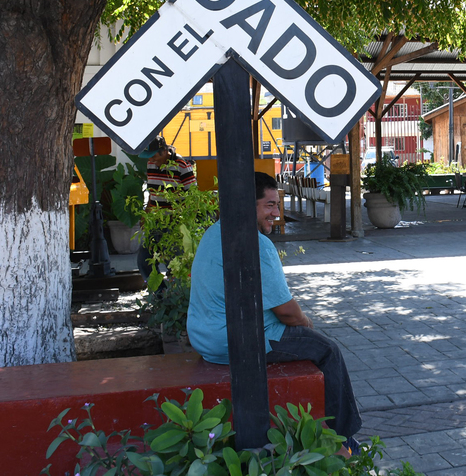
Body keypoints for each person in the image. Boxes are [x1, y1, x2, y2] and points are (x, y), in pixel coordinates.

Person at [188, 173, 362, 452]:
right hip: (236, 341)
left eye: (278, 205)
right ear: (247, 205)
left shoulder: (213, 232)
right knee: (328, 350)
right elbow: (288, 313)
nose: (277, 213)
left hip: (204, 338)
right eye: (269, 205)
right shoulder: (256, 243)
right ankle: (344, 440)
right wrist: (305, 323)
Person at [137, 135, 196, 281]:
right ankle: (160, 292)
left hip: (175, 223)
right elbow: (152, 194)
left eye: (153, 156)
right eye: (149, 157)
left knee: (173, 263)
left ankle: (175, 292)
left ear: (164, 151)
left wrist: (181, 219)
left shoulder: (181, 165)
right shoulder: (151, 165)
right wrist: (146, 214)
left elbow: (193, 196)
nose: (151, 160)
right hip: (155, 221)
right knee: (144, 261)